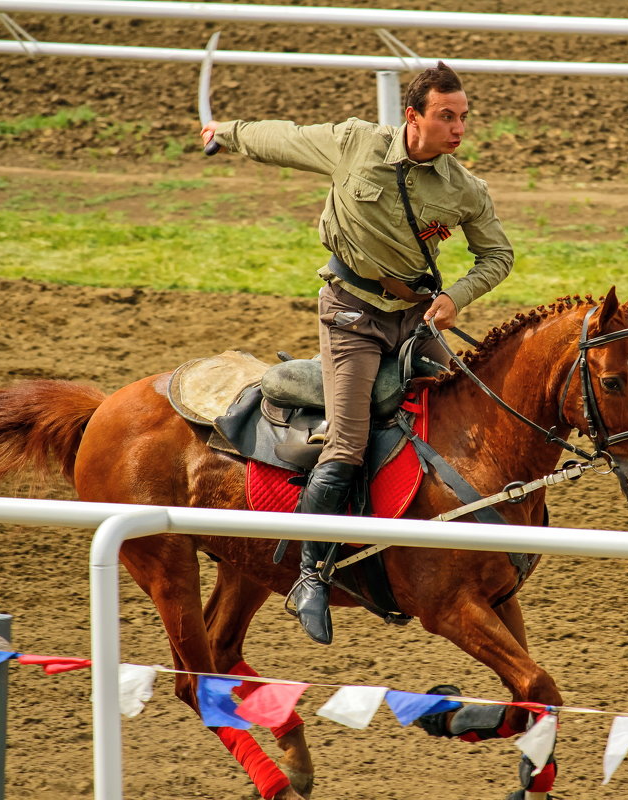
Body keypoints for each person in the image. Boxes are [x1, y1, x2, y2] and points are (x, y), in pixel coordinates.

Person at [201, 61, 514, 645]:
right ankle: (311, 575)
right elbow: (286, 139)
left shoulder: (465, 189)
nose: (458, 129)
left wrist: (455, 296)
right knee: (346, 442)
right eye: (447, 117)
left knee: (459, 423)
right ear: (412, 117)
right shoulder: (355, 144)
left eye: (464, 117)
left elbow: (498, 256)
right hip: (351, 319)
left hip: (417, 320)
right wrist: (227, 131)